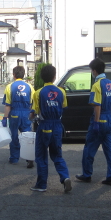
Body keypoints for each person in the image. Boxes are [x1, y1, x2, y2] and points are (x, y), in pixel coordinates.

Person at [76, 58, 111, 186]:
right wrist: (110, 119)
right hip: (110, 121)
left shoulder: (96, 85)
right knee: (109, 151)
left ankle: (87, 174)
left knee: (89, 148)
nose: (92, 72)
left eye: (91, 70)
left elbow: (97, 105)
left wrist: (96, 122)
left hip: (99, 120)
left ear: (94, 71)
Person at [28, 64, 71, 193]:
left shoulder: (38, 93)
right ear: (54, 76)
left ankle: (42, 184)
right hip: (57, 125)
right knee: (57, 155)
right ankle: (65, 177)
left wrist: (30, 118)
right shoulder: (61, 91)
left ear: (42, 77)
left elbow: (34, 112)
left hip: (44, 125)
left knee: (41, 156)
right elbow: (64, 107)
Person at [2, 66, 34, 167]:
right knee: (27, 136)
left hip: (14, 113)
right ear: (24, 75)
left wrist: (5, 118)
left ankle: (14, 158)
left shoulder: (9, 86)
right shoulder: (29, 86)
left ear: (14, 75)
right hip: (26, 114)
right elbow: (32, 103)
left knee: (14, 136)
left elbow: (8, 105)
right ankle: (29, 158)